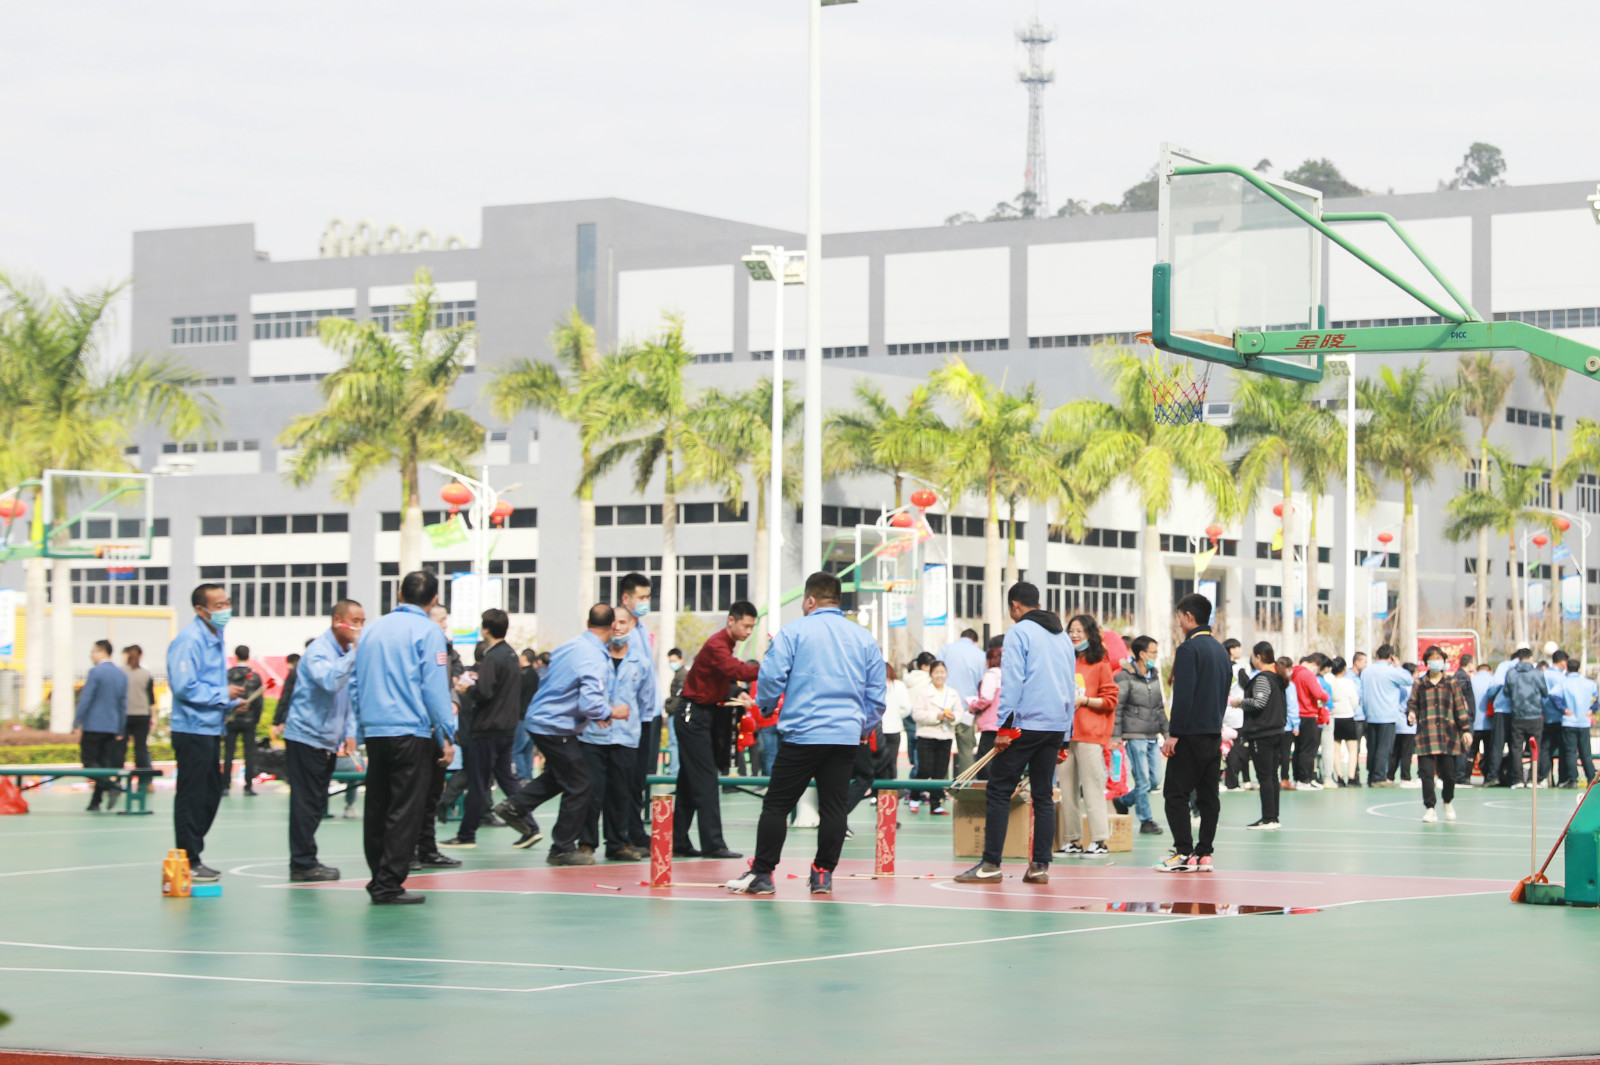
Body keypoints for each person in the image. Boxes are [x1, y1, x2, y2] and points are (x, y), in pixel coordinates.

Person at [728, 572, 887, 895]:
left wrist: (767, 706)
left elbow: (771, 677)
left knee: (777, 805)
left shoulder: (793, 632)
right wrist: (863, 728)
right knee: (834, 807)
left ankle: (763, 874)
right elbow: (877, 694)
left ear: (811, 600)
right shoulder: (864, 638)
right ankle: (823, 874)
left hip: (803, 733)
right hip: (844, 736)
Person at [954, 582, 1071, 885]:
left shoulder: (1018, 632)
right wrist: (1066, 737)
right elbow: (1070, 684)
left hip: (1024, 725)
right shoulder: (1062, 637)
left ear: (1014, 606)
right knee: (1043, 795)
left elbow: (1014, 681)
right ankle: (1040, 866)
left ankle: (991, 863)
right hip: (1055, 726)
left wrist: (1004, 727)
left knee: (999, 789)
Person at [352, 571, 457, 905]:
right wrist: (446, 733)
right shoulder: (429, 631)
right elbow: (435, 688)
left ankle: (377, 877)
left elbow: (356, 682)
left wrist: (359, 727)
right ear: (434, 599)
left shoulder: (372, 630)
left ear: (399, 593)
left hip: (376, 730)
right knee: (405, 809)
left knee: (378, 806)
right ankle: (388, 884)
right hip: (410, 731)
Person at [495, 604, 626, 864]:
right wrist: (610, 712)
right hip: (556, 726)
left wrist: (597, 714)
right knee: (580, 784)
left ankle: (514, 806)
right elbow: (590, 703)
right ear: (612, 626)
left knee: (560, 776)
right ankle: (562, 848)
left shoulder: (571, 646)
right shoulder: (594, 656)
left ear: (587, 622)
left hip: (542, 719)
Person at [167, 584, 248, 882]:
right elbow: (184, 686)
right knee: (192, 795)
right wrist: (223, 694)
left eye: (227, 602)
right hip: (192, 729)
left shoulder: (216, 636)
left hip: (210, 728)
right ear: (200, 610)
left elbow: (208, 684)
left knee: (210, 793)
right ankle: (188, 858)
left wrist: (231, 701)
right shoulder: (190, 640)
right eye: (218, 605)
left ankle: (193, 851)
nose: (226, 609)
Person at [283, 599, 363, 880]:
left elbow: (347, 695)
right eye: (355, 622)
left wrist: (349, 731)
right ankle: (302, 863)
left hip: (326, 740)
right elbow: (330, 682)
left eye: (362, 622)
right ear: (338, 621)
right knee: (306, 802)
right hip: (306, 737)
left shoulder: (344, 652)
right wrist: (355, 653)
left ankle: (307, 858)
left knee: (317, 802)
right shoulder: (319, 651)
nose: (359, 628)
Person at [672, 602, 758, 859]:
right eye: (746, 626)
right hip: (693, 716)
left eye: (752, 627)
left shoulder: (725, 645)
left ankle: (678, 841)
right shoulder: (717, 645)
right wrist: (768, 669)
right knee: (707, 779)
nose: (748, 632)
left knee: (689, 782)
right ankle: (713, 844)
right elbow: (736, 670)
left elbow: (724, 677)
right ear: (731, 620)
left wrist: (738, 691)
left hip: (700, 716)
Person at [441, 609, 528, 849]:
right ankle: (530, 826)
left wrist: (467, 690)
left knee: (478, 783)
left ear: (485, 628)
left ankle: (466, 834)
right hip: (506, 727)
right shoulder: (511, 655)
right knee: (507, 779)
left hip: (488, 728)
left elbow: (485, 691)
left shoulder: (492, 656)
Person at [1155, 593, 1229, 873]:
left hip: (1189, 734)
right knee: (1209, 796)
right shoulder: (1221, 650)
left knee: (1175, 793)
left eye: (1179, 617)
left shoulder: (1188, 649)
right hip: (1212, 733)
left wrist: (1174, 733)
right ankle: (1205, 853)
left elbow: (1183, 695)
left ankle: (1184, 852)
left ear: (1188, 616)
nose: (1178, 622)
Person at [578, 607, 653, 860]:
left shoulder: (642, 663)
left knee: (621, 793)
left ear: (631, 625)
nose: (618, 627)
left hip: (626, 738)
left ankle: (618, 843)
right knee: (591, 793)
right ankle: (586, 843)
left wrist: (639, 735)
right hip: (592, 736)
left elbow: (646, 705)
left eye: (623, 622)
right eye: (614, 622)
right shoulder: (594, 658)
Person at [1058, 614, 1119, 856]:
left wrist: (1084, 700)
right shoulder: (1064, 661)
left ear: (1089, 634)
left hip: (1090, 735)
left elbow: (1110, 699)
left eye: (1079, 631)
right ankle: (1072, 840)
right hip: (1064, 734)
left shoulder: (1100, 662)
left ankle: (1100, 840)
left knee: (1092, 788)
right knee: (1067, 789)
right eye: (1071, 630)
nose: (1074, 635)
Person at [616, 573, 662, 854]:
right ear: (626, 598)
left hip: (650, 713)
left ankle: (635, 831)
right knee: (628, 779)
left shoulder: (642, 629)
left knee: (640, 777)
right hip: (632, 717)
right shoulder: (622, 634)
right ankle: (627, 833)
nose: (646, 602)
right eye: (641, 597)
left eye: (648, 597)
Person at [1408, 644, 1473, 822]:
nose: (1435, 661)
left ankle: (1447, 801)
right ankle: (1430, 808)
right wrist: (1412, 713)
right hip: (1426, 735)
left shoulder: (1451, 683)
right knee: (1426, 775)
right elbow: (1412, 703)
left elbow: (1459, 708)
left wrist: (1465, 730)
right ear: (1426, 662)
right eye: (1432, 659)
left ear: (1444, 661)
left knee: (1449, 774)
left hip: (1448, 735)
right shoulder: (1419, 683)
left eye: (1438, 658)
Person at [1114, 635, 1167, 835]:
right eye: (1153, 652)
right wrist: (1115, 736)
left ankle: (1124, 800)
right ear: (1142, 654)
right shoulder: (1124, 677)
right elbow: (1117, 708)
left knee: (1154, 780)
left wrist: (1167, 733)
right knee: (1143, 780)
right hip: (1134, 734)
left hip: (1152, 734)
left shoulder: (1154, 675)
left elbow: (1159, 707)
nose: (1156, 655)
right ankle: (1146, 820)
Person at [1238, 641, 1287, 830]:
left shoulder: (1263, 678)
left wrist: (1239, 703)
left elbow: (1259, 703)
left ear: (1259, 657)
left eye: (1253, 656)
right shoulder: (1277, 677)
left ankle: (1268, 818)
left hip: (1262, 733)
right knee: (1272, 776)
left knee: (1265, 777)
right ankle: (1273, 817)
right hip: (1277, 732)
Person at [75, 639, 128, 811]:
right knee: (103, 763)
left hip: (94, 724)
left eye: (93, 651)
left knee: (88, 761)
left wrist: (77, 720)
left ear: (101, 651)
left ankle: (112, 787)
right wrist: (120, 727)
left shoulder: (96, 672)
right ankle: (95, 801)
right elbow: (123, 704)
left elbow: (87, 698)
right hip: (112, 726)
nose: (91, 655)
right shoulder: (121, 674)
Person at [909, 661, 961, 814]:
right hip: (927, 735)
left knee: (940, 772)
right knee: (924, 770)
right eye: (936, 672)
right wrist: (936, 716)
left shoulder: (952, 693)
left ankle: (935, 804)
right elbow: (916, 714)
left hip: (945, 736)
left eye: (942, 672)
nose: (940, 675)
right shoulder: (924, 692)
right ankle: (914, 798)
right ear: (931, 674)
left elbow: (960, 712)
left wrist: (953, 717)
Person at [1360, 645, 1413, 789]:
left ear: (1377, 655)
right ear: (1391, 656)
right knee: (1384, 748)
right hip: (1387, 715)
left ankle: (1372, 775)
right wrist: (1398, 666)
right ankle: (1379, 777)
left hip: (1370, 714)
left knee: (1372, 747)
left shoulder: (1367, 671)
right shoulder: (1391, 671)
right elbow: (1409, 680)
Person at [938, 628, 987, 776]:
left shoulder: (945, 649)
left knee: (942, 749)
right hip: (967, 710)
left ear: (961, 637)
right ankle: (965, 782)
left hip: (944, 708)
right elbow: (983, 684)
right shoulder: (981, 655)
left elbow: (936, 671)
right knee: (966, 749)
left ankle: (940, 784)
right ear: (975, 641)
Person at [1500, 647, 1549, 787]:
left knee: (1516, 748)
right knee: (1535, 747)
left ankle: (1518, 779)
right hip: (1535, 716)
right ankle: (1534, 779)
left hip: (1517, 716)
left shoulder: (1511, 673)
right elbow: (1545, 692)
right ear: (1531, 657)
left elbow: (1506, 692)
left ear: (1518, 658)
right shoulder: (1538, 673)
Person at [221, 645, 263, 796]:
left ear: (236, 656)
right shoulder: (255, 676)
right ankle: (248, 787)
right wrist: (255, 719)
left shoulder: (227, 675)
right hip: (249, 719)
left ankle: (225, 786)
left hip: (231, 719)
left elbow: (222, 696)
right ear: (248, 656)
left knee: (228, 753)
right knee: (249, 754)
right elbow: (259, 701)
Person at [1290, 654, 1330, 789]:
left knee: (1299, 748)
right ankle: (1305, 779)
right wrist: (1326, 696)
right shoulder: (1307, 675)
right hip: (1308, 714)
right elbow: (1319, 694)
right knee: (1308, 749)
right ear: (1315, 664)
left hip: (1296, 714)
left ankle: (1298, 778)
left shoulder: (1292, 673)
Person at [967, 643, 1003, 778]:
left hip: (991, 724)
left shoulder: (991, 675)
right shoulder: (1008, 674)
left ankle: (985, 786)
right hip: (1004, 724)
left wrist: (973, 706)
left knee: (984, 759)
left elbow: (986, 698)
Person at [1561, 659, 1597, 787]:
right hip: (1584, 722)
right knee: (1586, 753)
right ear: (1579, 669)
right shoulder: (1589, 683)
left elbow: (1553, 696)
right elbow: (1597, 698)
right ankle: (1591, 778)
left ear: (1567, 669)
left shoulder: (1564, 682)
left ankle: (1573, 779)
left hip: (1569, 722)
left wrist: (1563, 709)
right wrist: (1592, 709)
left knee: (1570, 752)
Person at [119, 645, 155, 770]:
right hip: (142, 714)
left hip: (124, 714)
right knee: (141, 748)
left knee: (120, 748)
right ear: (141, 656)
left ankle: (117, 777)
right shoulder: (146, 674)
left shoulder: (121, 672)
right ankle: (144, 777)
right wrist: (153, 717)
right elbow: (151, 698)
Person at [1328, 657, 1362, 786]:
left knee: (1336, 749)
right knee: (1352, 749)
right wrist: (1351, 709)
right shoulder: (1348, 682)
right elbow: (1354, 700)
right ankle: (1352, 777)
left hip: (1334, 717)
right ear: (1344, 668)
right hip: (1348, 716)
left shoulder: (1330, 681)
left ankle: (1339, 777)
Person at [1540, 652, 1570, 785]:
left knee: (1545, 749)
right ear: (1563, 662)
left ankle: (1543, 777)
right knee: (1563, 750)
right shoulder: (1561, 677)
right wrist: (1564, 709)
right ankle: (1563, 778)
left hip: (1545, 717)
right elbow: (1558, 695)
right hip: (1559, 718)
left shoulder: (1543, 674)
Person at [513, 648, 541, 781]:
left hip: (522, 716)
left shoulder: (522, 676)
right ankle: (528, 776)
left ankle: (523, 776)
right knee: (527, 750)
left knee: (518, 750)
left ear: (524, 658)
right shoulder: (535, 675)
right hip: (533, 717)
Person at [270, 651, 304, 741]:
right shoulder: (310, 674)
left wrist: (278, 721)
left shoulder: (292, 674)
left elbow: (285, 699)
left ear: (289, 663)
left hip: (292, 720)